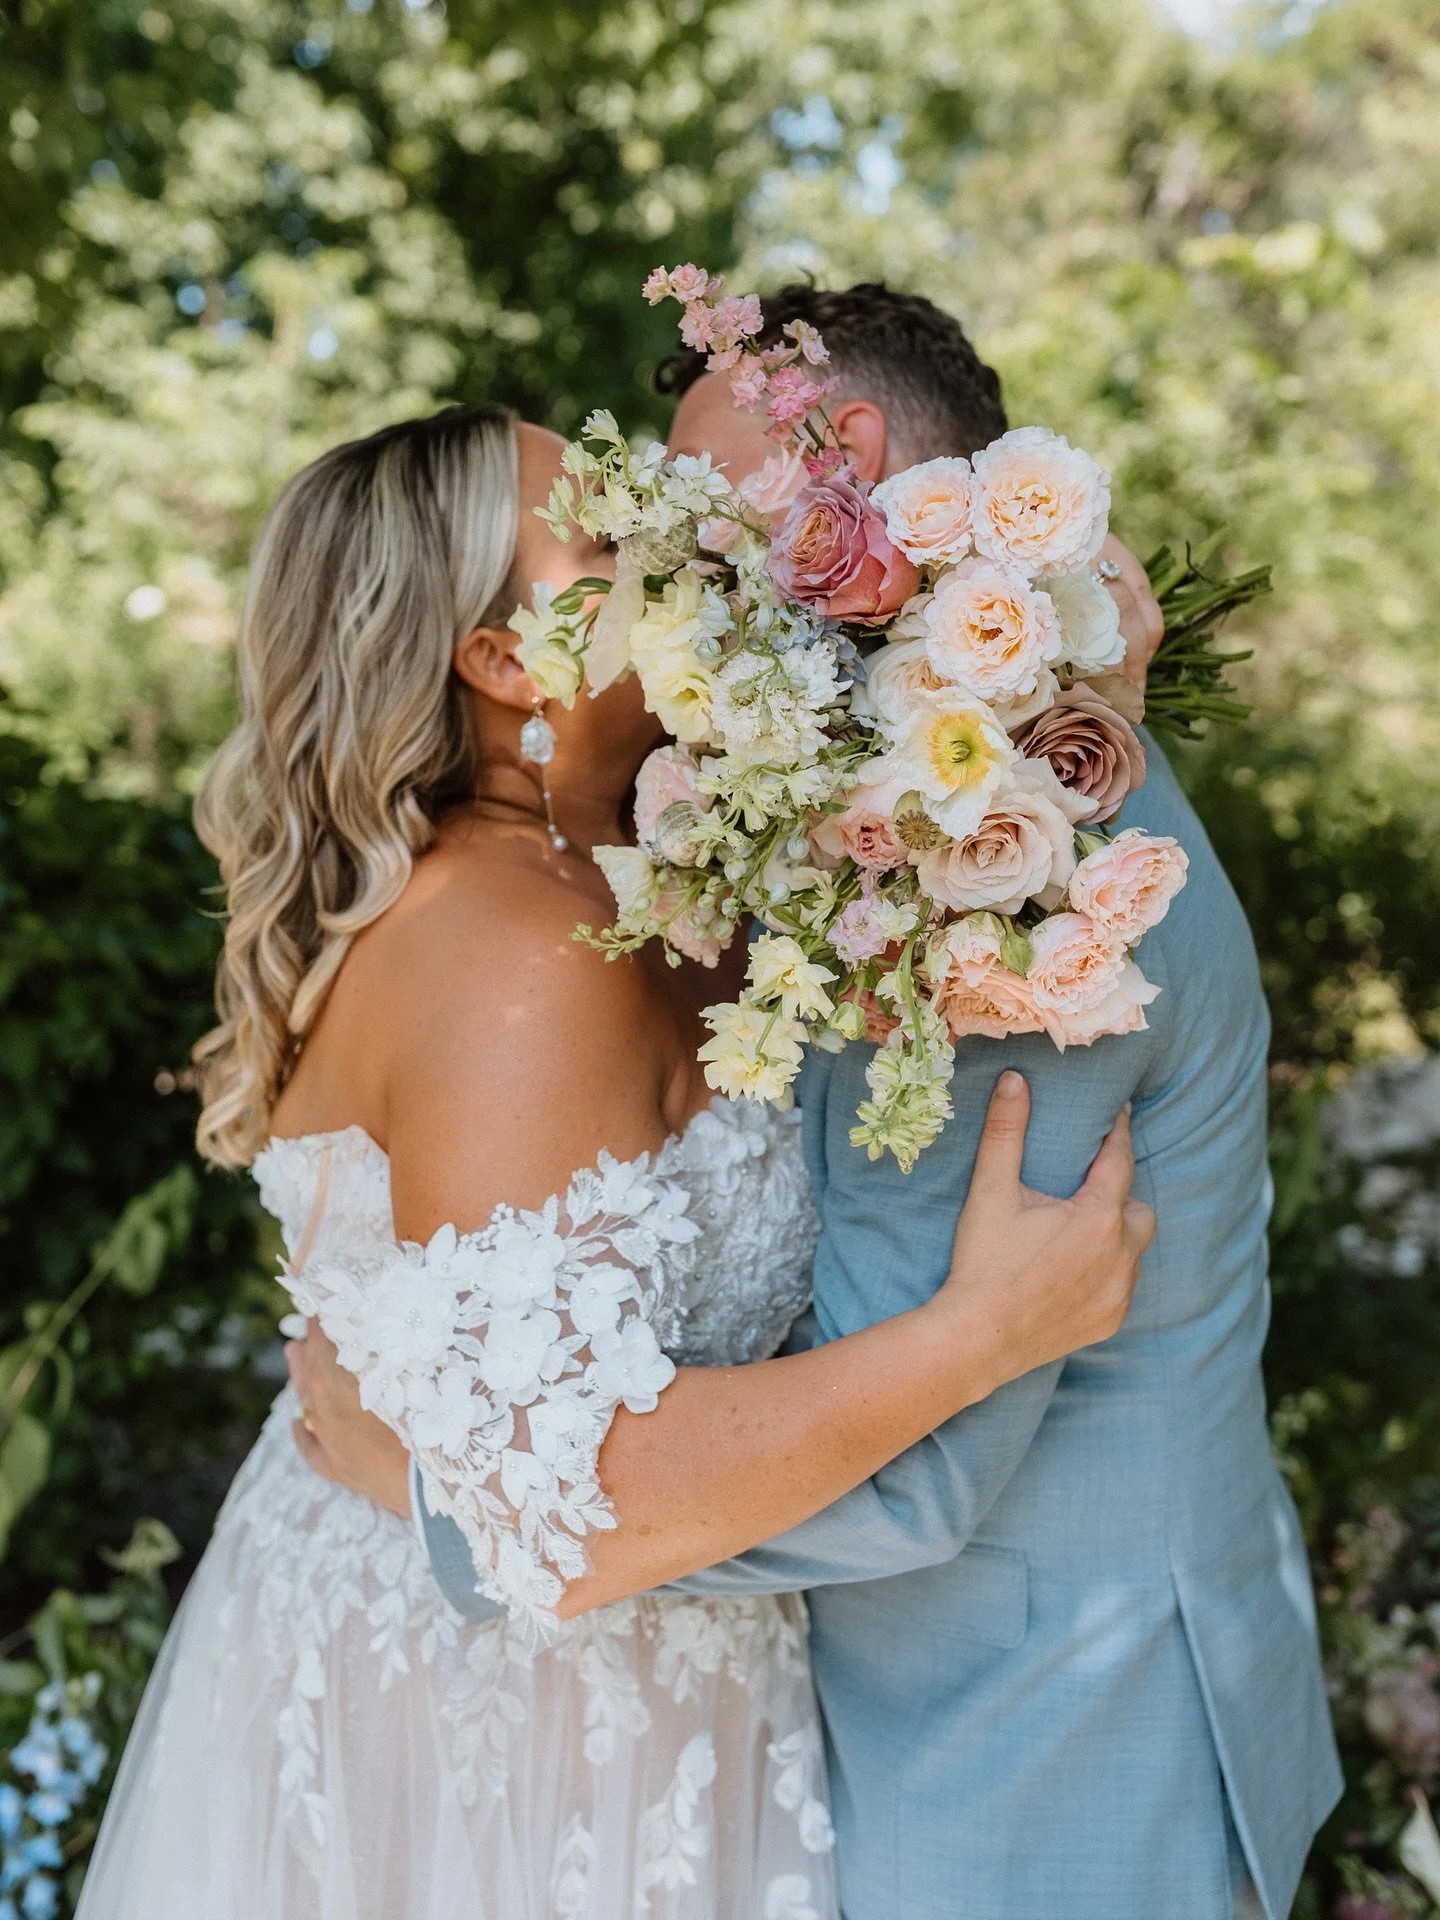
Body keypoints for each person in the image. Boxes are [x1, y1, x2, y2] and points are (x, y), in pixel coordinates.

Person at [74, 401, 1150, 1920]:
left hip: (659, 1682)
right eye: (606, 533)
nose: (682, 532)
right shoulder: (515, 957)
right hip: (497, 1738)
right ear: (509, 662)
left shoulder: (634, 885)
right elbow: (557, 1503)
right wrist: (982, 1336)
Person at [395, 287, 1343, 1919]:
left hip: (1044, 1776)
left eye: (698, 512)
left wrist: (480, 1494)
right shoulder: (941, 797)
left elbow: (919, 1471)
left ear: (837, 459)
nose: (672, 568)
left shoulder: (1015, 878)